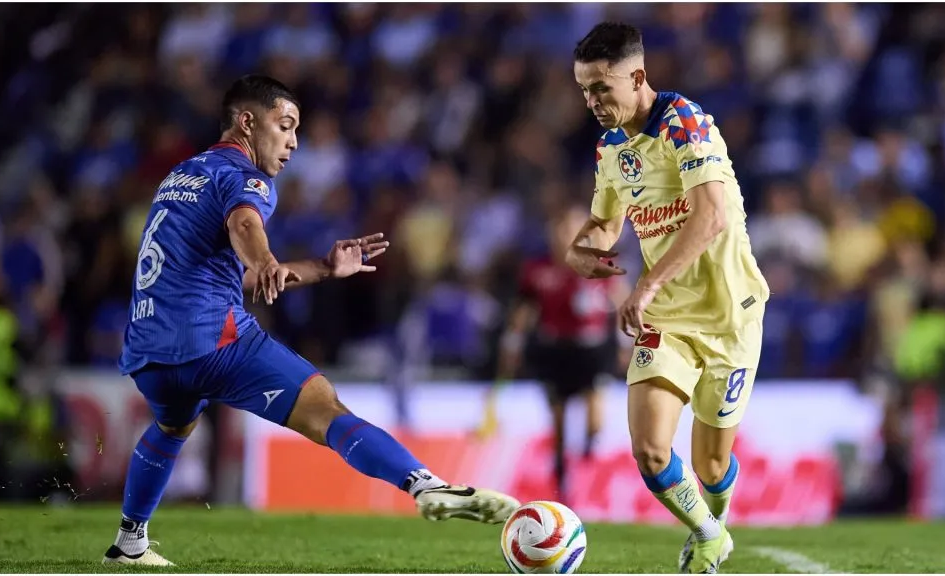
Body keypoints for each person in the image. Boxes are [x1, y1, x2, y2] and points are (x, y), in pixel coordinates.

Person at [105, 75, 519, 566]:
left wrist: (322, 268)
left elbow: (230, 271)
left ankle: (130, 542)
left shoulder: (181, 176)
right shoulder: (246, 177)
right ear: (246, 122)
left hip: (149, 348)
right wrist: (261, 259)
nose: (294, 142)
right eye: (284, 126)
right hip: (212, 338)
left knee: (173, 425)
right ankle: (427, 486)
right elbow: (245, 225)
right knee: (325, 408)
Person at [565, 23, 770, 573]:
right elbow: (603, 225)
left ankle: (715, 521)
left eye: (602, 88)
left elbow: (711, 215)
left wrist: (646, 282)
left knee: (711, 462)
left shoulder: (687, 123)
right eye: (585, 90)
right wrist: (581, 250)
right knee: (651, 451)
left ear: (637, 77)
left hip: (732, 314)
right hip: (666, 320)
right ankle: (707, 533)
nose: (592, 101)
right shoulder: (611, 149)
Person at [492, 194, 625, 502]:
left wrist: (624, 341)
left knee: (595, 419)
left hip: (592, 350)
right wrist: (511, 343)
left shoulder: (600, 263)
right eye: (562, 228)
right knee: (560, 421)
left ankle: (588, 460)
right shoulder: (537, 269)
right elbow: (523, 311)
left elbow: (620, 302)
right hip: (555, 350)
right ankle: (562, 478)